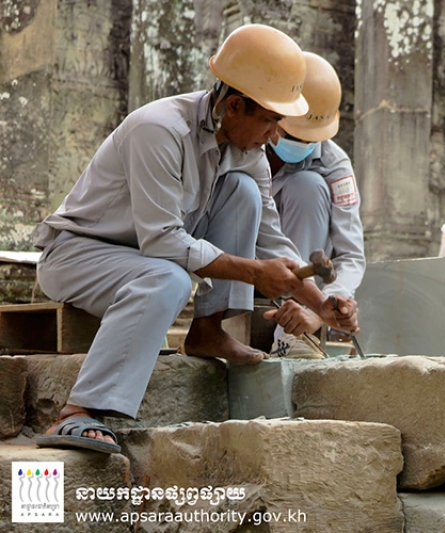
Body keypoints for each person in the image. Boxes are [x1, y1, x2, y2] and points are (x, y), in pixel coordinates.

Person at [32, 25, 359, 454]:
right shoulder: (159, 130)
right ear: (235, 105)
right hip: (79, 256)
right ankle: (77, 412)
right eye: (270, 120)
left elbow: (271, 241)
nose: (276, 135)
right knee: (169, 279)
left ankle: (207, 330)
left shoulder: (248, 152)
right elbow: (164, 240)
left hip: (145, 259)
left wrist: (323, 306)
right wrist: (254, 273)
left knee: (241, 193)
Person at [262, 52, 365, 358]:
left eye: (310, 139)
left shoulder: (335, 166)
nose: (302, 145)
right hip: (250, 267)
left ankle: (291, 336)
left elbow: (350, 255)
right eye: (294, 135)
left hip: (303, 290)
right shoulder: (247, 146)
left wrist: (330, 304)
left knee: (307, 185)